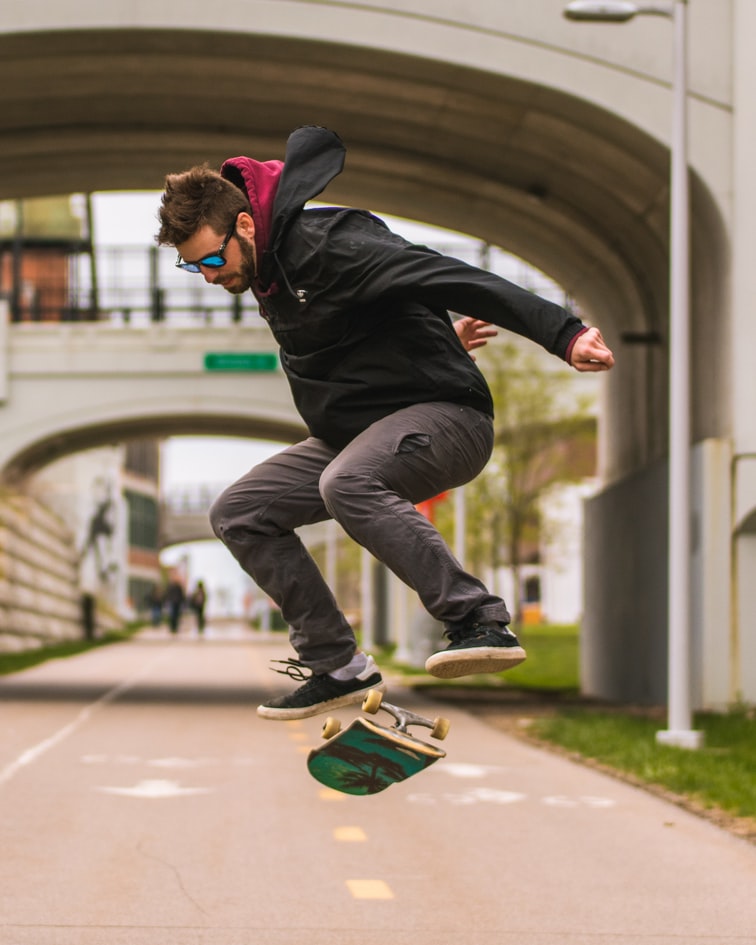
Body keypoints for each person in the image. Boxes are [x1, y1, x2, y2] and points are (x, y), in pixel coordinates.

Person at [156, 125, 615, 721]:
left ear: (246, 225)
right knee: (240, 512)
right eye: (198, 269)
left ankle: (478, 619)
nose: (213, 276)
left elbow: (449, 277)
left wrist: (565, 333)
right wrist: (433, 343)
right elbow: (363, 333)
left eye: (214, 259)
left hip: (451, 419)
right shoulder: (269, 272)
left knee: (345, 482)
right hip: (367, 428)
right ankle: (337, 665)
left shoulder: (329, 244)